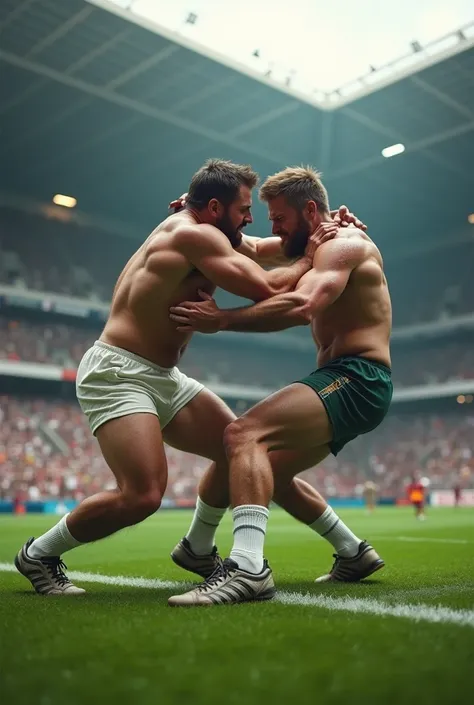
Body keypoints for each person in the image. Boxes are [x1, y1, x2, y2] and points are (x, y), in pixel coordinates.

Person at [14, 159, 360, 596]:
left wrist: (326, 228)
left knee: (242, 448)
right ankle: (39, 554)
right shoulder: (192, 235)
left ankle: (206, 549)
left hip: (162, 375)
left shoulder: (203, 228)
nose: (251, 219)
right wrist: (314, 254)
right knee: (142, 496)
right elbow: (271, 288)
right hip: (119, 373)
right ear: (214, 207)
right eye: (243, 210)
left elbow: (264, 250)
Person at [167, 166, 392, 606]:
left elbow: (304, 304)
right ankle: (354, 553)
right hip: (343, 378)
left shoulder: (343, 244)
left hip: (356, 377)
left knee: (243, 434)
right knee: (262, 466)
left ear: (310, 209)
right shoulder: (309, 243)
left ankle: (248, 569)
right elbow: (245, 246)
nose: (271, 227)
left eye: (279, 218)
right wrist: (198, 214)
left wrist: (223, 320)